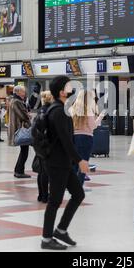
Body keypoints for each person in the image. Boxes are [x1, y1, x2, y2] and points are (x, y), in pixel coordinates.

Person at [41, 76, 89, 250]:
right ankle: (46, 239)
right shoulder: (59, 111)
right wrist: (80, 160)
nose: (72, 88)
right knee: (54, 201)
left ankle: (60, 230)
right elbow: (65, 140)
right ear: (62, 92)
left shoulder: (60, 109)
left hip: (62, 162)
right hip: (57, 163)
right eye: (69, 86)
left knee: (78, 194)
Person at [70, 90, 105, 190]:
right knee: (84, 163)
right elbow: (93, 126)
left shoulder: (72, 109)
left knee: (75, 163)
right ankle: (78, 187)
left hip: (74, 138)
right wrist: (100, 117)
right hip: (86, 138)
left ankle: (71, 185)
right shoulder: (88, 110)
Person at [8, 86, 31, 179]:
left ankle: (18, 170)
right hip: (20, 129)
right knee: (24, 151)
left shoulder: (14, 100)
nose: (24, 93)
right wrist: (28, 115)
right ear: (17, 92)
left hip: (18, 128)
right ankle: (19, 171)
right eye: (22, 92)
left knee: (24, 150)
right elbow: (23, 115)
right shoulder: (17, 101)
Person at [35, 91, 53, 203]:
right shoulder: (50, 111)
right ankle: (47, 196)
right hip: (47, 144)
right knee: (48, 171)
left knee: (41, 171)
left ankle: (41, 194)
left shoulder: (40, 110)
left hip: (39, 144)